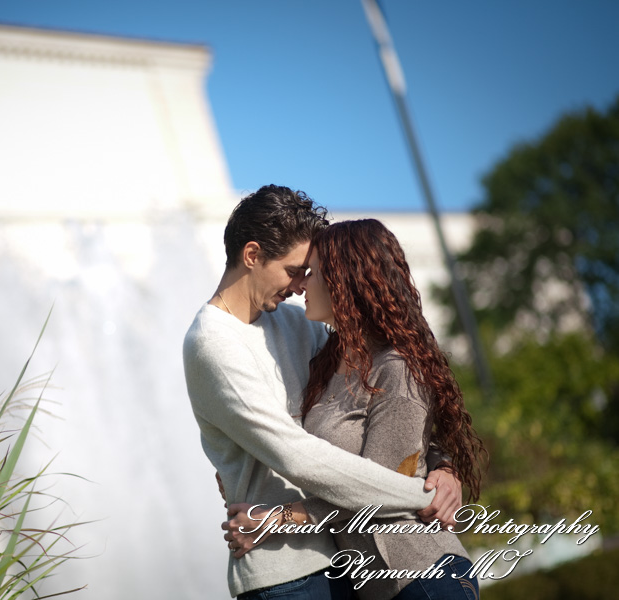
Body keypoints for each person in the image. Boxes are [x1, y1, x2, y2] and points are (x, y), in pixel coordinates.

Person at [183, 186, 462, 600]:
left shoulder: (297, 325)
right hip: (284, 569)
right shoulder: (212, 343)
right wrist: (418, 493)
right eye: (295, 270)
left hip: (347, 561)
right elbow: (295, 454)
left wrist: (441, 463)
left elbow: (387, 401)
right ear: (253, 255)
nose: (300, 286)